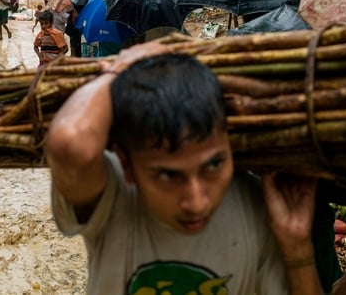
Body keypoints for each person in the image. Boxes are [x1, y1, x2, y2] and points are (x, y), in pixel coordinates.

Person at [46, 43, 322, 294]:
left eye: (213, 165)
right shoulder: (111, 195)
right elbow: (70, 144)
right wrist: (120, 70)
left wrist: (296, 246)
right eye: (168, 175)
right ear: (127, 165)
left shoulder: (258, 207)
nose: (197, 203)